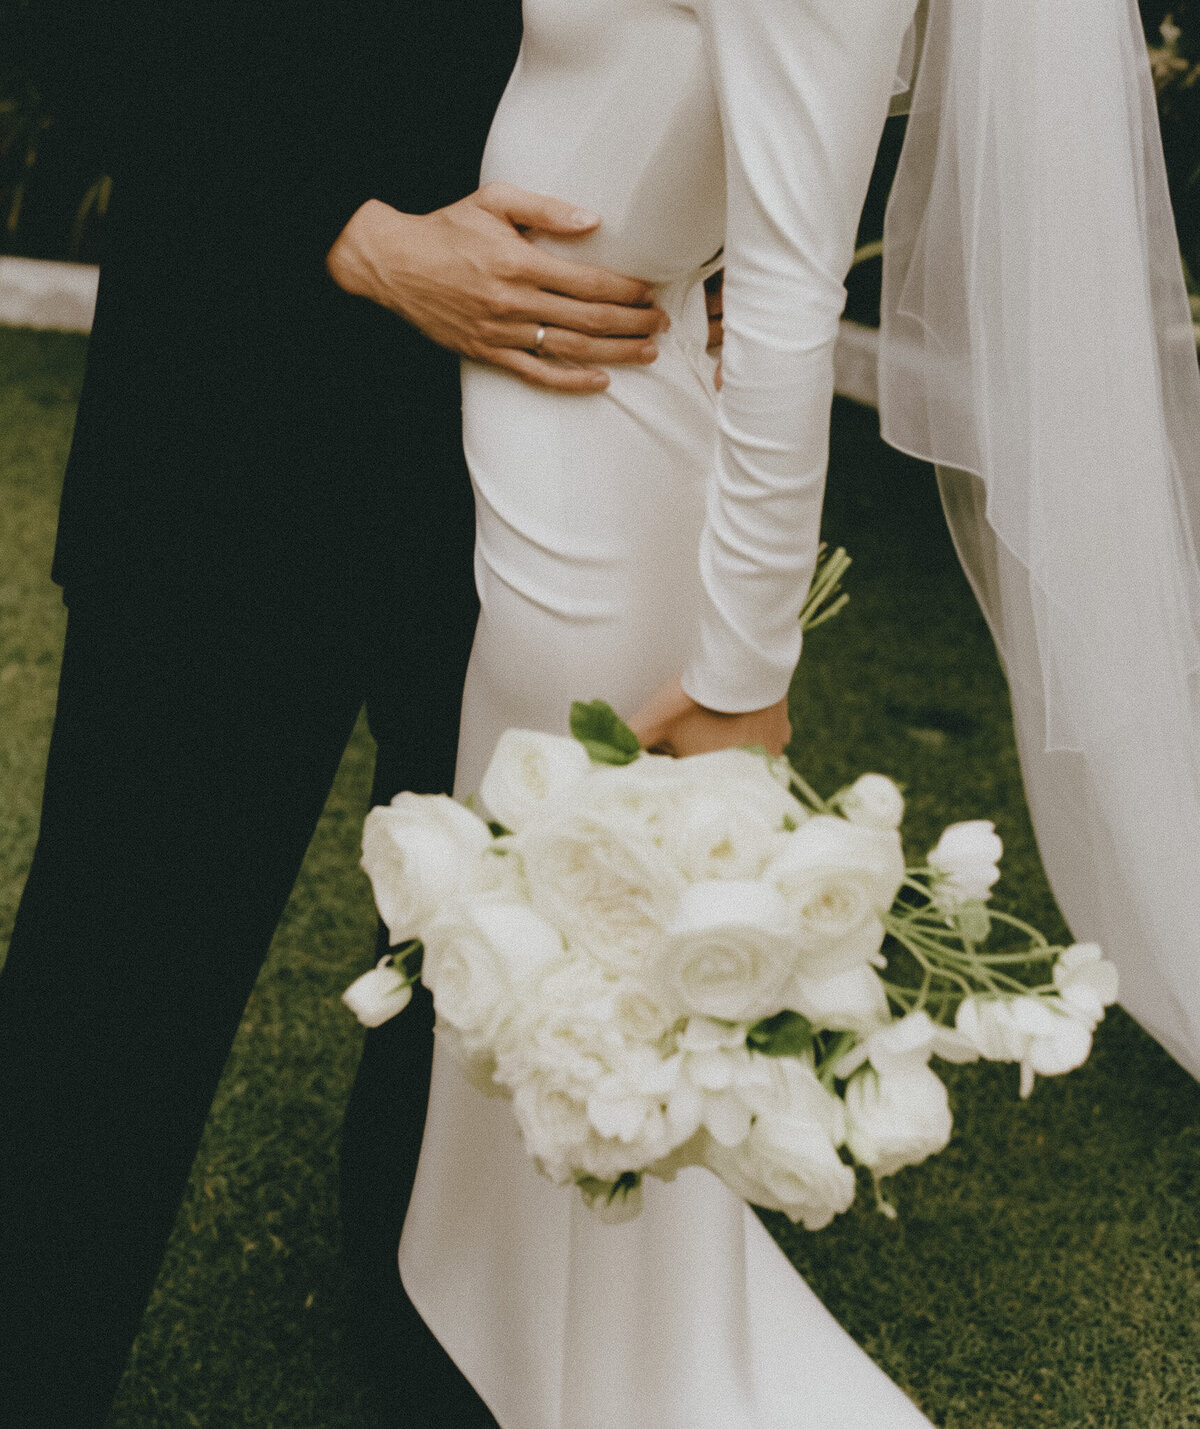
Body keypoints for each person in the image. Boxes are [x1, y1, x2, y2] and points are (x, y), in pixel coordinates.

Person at [356, 0, 1200, 1423]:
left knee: (583, 963)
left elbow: (799, 289)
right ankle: (509, 1345)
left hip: (596, 457)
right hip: (540, 409)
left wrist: (745, 676)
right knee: (530, 968)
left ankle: (598, 1374)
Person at [0, 4, 676, 1426]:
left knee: (481, 975)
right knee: (121, 969)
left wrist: (722, 243)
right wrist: (354, 231)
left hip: (560, 439)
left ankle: (424, 1314)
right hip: (236, 400)